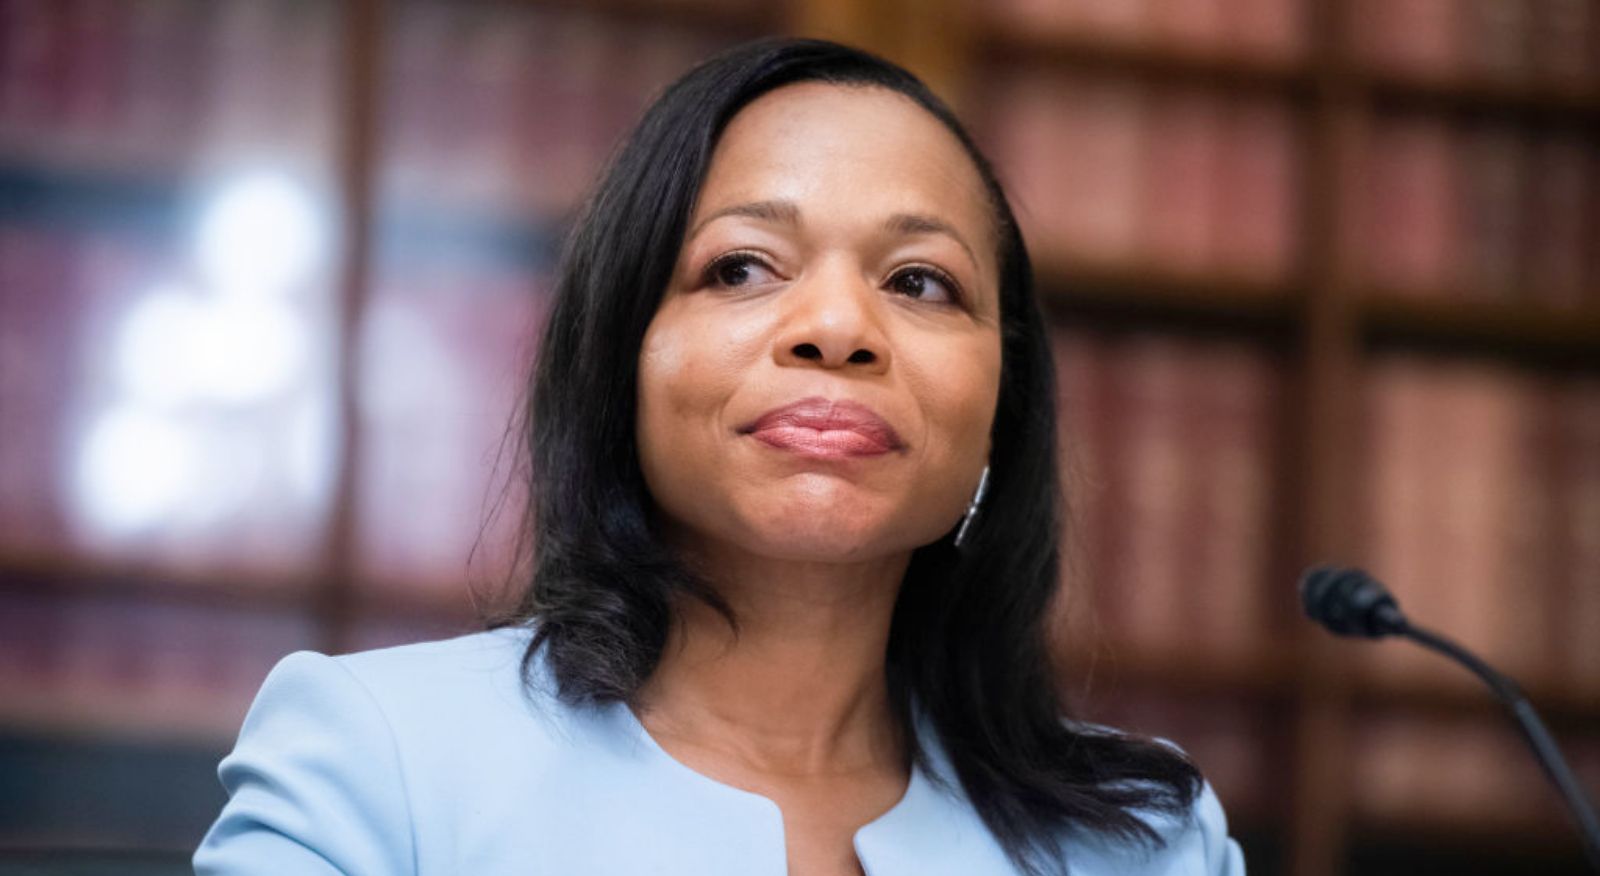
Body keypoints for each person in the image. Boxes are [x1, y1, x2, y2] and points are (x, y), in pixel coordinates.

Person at [194, 38, 1245, 876]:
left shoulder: (1147, 843)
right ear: (623, 359)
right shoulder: (376, 765)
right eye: (741, 267)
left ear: (1003, 409)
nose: (838, 327)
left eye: (920, 282)